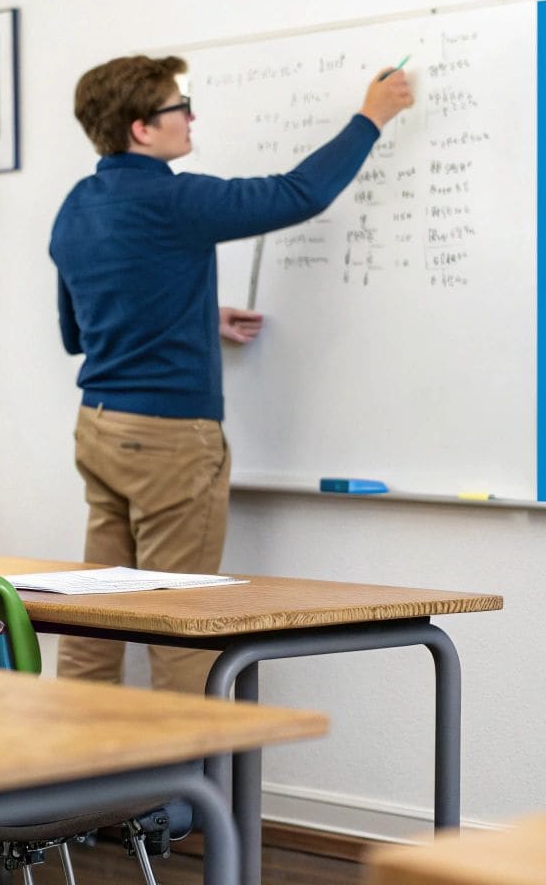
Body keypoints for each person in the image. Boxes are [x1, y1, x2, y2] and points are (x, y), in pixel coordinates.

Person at [52, 55, 414, 693]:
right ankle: (186, 795)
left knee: (93, 620)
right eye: (177, 107)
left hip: (100, 428)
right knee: (183, 628)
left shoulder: (78, 203)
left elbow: (79, 333)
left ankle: (81, 783)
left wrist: (192, 313)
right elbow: (299, 193)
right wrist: (371, 116)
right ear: (142, 128)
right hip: (169, 437)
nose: (189, 118)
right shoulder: (173, 197)